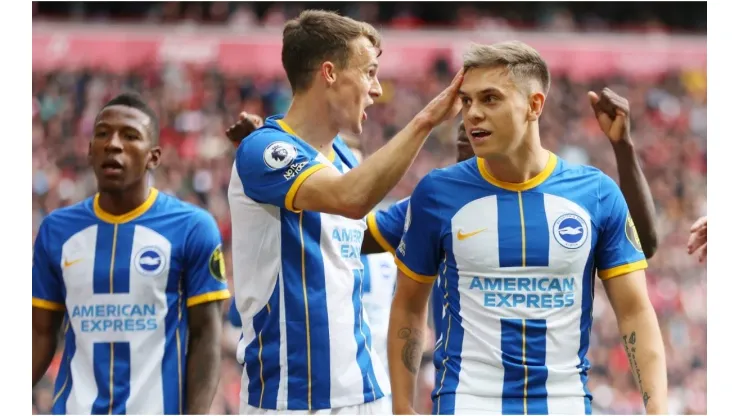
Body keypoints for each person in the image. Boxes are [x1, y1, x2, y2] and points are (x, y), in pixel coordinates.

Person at [387, 41, 667, 415]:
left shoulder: (596, 194)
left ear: (534, 105)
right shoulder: (436, 193)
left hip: (563, 404)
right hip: (467, 405)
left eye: (490, 99)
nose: (473, 115)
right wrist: (403, 409)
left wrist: (658, 409)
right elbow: (408, 305)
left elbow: (634, 311)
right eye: (467, 101)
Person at [226, 9, 462, 415]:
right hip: (289, 398)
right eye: (369, 72)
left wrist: (458, 183)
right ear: (330, 73)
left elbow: (367, 231)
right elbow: (351, 199)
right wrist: (425, 121)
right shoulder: (264, 149)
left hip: (362, 393)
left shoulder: (340, 159)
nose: (376, 89)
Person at [31, 92, 230, 414]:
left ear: (154, 156)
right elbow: (40, 334)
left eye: (130, 136)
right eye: (102, 134)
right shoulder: (56, 230)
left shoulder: (192, 227)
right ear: (89, 150)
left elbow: (206, 335)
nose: (113, 144)